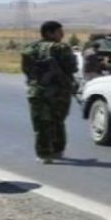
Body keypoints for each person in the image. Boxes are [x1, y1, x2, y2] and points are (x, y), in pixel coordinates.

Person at [21, 21, 77, 164]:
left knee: (41, 123)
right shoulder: (61, 48)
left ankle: (44, 154)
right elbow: (71, 68)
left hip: (37, 91)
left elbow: (26, 70)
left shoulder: (30, 48)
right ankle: (57, 150)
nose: (62, 35)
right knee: (58, 121)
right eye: (59, 32)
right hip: (59, 92)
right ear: (49, 33)